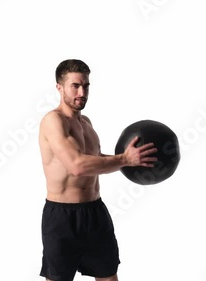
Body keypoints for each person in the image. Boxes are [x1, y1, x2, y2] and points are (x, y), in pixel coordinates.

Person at [38, 59, 157, 281]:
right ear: (59, 87)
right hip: (62, 217)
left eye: (86, 86)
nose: (82, 92)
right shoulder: (52, 121)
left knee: (108, 276)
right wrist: (124, 159)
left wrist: (132, 159)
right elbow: (77, 165)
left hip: (95, 213)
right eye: (75, 86)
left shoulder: (86, 123)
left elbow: (94, 159)